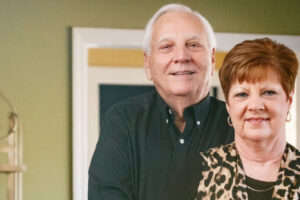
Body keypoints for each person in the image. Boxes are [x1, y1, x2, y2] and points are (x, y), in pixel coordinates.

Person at [88, 3, 234, 200]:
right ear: (147, 64)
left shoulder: (239, 124)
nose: (182, 56)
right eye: (166, 47)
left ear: (213, 58)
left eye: (193, 45)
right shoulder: (122, 121)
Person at [194, 38, 299, 199]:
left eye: (268, 92)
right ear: (228, 105)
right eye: (242, 94)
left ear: (289, 101)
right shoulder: (198, 170)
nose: (255, 106)